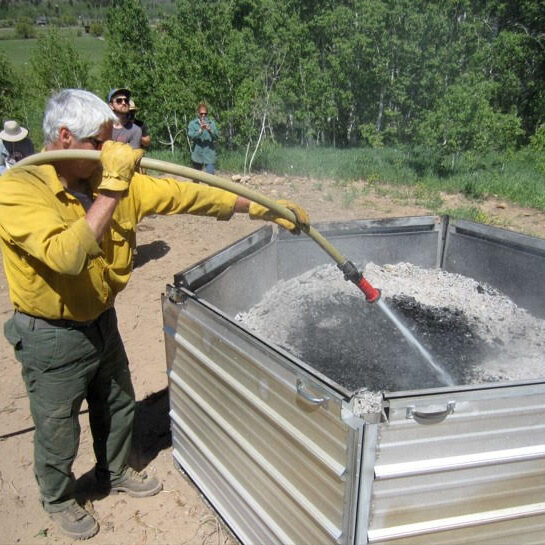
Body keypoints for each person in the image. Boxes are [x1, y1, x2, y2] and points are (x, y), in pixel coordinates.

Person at [0, 88, 309, 540]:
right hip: (51, 334)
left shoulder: (110, 179)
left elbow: (190, 194)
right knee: (57, 425)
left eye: (113, 139)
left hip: (101, 320)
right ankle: (59, 497)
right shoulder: (17, 189)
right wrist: (111, 188)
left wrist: (261, 208)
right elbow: (65, 256)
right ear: (64, 137)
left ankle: (116, 471)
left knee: (118, 403)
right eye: (100, 142)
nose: (112, 150)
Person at [187, 102, 219, 174]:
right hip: (197, 154)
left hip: (209, 154)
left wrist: (210, 130)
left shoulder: (211, 123)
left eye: (205, 113)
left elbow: (216, 136)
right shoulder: (193, 123)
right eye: (201, 113)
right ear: (198, 113)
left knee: (210, 175)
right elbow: (190, 136)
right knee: (196, 177)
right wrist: (200, 131)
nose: (203, 115)